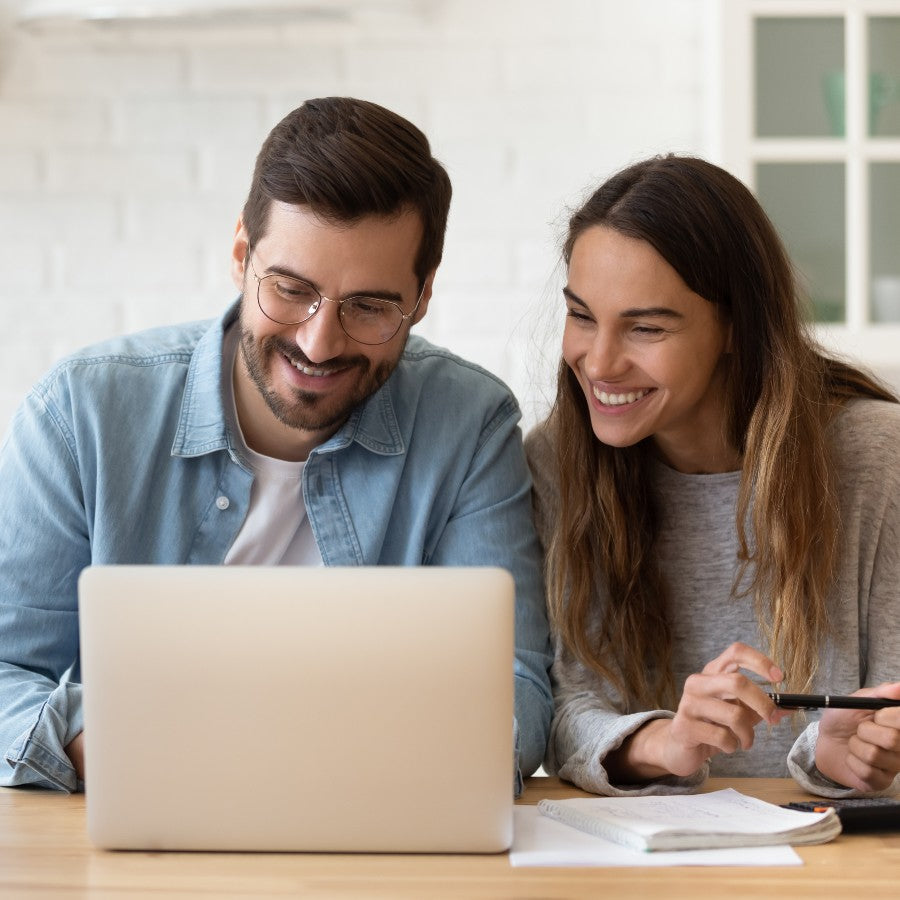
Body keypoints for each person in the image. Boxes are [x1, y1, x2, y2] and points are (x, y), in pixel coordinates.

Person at [0, 97, 552, 793]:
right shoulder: (81, 412)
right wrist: (108, 745)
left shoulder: (468, 424)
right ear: (240, 256)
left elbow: (514, 686)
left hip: (377, 833)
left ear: (422, 296)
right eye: (291, 290)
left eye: (371, 307)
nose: (319, 343)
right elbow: (6, 667)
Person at [526, 154, 900, 798]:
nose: (600, 361)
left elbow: (890, 707)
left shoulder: (878, 459)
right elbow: (565, 707)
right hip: (640, 863)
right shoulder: (557, 461)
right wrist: (668, 743)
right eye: (582, 315)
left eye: (645, 327)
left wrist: (849, 755)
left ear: (736, 328)